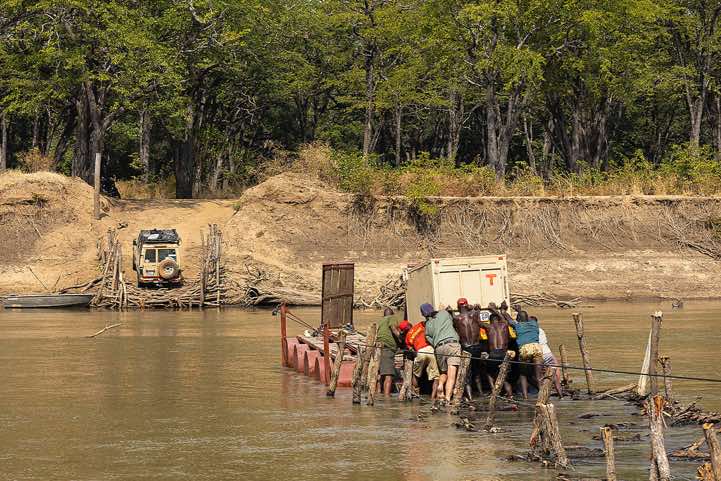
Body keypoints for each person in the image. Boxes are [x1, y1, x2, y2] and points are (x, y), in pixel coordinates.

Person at [421, 303, 462, 403]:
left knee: (444, 372)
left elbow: (429, 339)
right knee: (452, 375)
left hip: (439, 348)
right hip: (452, 345)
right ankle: (448, 397)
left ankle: (440, 385)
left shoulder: (427, 325)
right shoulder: (444, 313)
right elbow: (454, 321)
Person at [453, 298, 483, 399]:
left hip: (466, 348)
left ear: (458, 307)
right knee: (477, 372)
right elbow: (478, 308)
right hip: (477, 347)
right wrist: (473, 307)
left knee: (467, 374)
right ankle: (481, 393)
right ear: (467, 305)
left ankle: (470, 398)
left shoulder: (457, 319)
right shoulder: (474, 314)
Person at [402, 319, 440, 399]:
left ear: (404, 331)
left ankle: (416, 394)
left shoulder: (407, 337)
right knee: (436, 377)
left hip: (420, 352)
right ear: (410, 324)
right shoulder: (420, 324)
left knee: (416, 375)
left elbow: (411, 350)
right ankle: (433, 397)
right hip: (430, 350)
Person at [510, 311, 543, 400]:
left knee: (523, 374)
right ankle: (543, 397)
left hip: (525, 349)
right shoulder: (534, 323)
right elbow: (525, 318)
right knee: (539, 375)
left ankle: (525, 397)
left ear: (519, 319)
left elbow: (507, 319)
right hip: (536, 347)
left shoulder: (517, 325)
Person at [485, 312, 514, 397]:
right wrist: (496, 310)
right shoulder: (504, 325)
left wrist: (477, 310)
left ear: (490, 321)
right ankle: (510, 395)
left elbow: (478, 322)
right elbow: (504, 319)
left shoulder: (488, 326)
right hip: (503, 354)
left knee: (489, 373)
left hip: (493, 354)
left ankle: (494, 392)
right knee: (505, 377)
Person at [376, 307, 403, 396]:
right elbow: (393, 328)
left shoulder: (381, 321)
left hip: (378, 348)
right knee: (389, 375)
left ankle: (378, 393)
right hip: (387, 348)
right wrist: (401, 338)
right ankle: (387, 397)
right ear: (392, 314)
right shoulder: (392, 318)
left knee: (380, 373)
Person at [536, 319, 563, 398]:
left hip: (540, 354)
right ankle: (561, 395)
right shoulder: (541, 330)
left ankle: (542, 397)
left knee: (539, 375)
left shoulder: (531, 331)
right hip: (548, 353)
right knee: (553, 374)